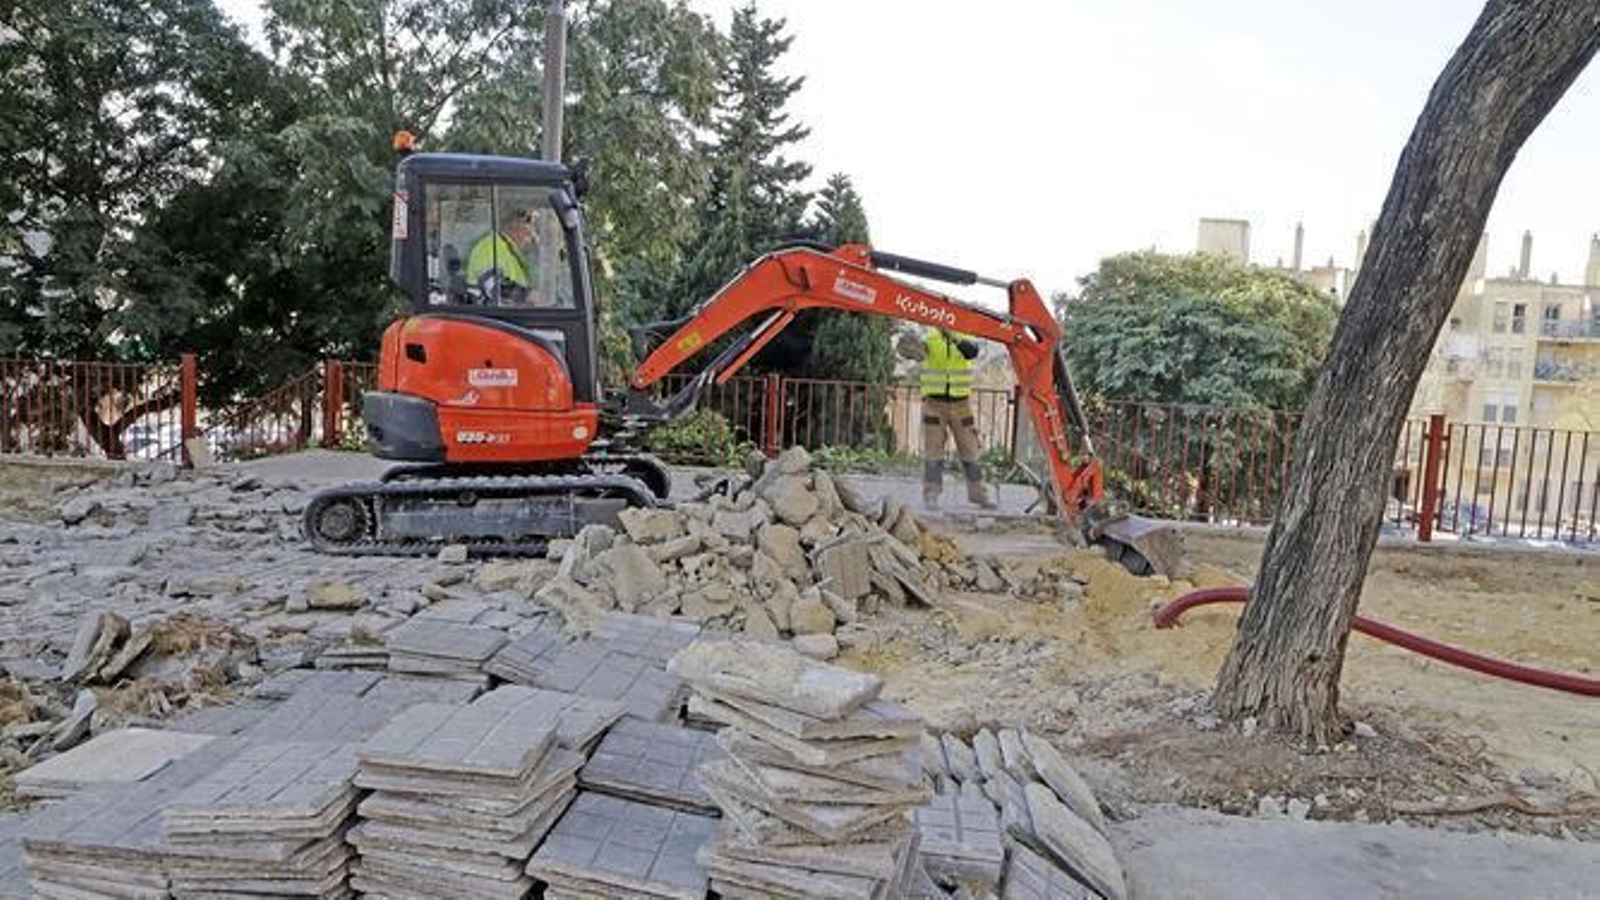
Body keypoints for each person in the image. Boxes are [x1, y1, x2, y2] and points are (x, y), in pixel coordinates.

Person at [900, 327, 996, 509]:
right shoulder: (929, 336)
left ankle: (979, 495)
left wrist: (955, 337)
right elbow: (911, 352)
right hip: (934, 404)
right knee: (933, 452)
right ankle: (931, 496)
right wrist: (907, 345)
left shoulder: (963, 334)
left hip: (961, 404)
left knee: (971, 451)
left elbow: (971, 352)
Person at [465, 206, 537, 304]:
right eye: (529, 222)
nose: (533, 232)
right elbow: (494, 287)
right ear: (514, 223)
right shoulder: (490, 247)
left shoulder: (509, 251)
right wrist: (528, 296)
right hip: (490, 316)